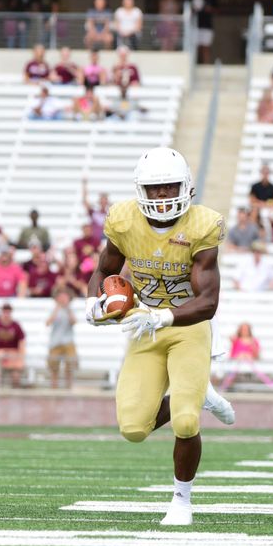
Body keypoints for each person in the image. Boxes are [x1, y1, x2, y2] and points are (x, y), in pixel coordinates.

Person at [83, 147, 236, 526]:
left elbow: (209, 302)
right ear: (142, 191)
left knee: (185, 421)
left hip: (186, 327)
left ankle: (182, 500)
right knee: (133, 429)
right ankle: (200, 390)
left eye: (170, 188)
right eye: (156, 189)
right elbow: (104, 269)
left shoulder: (202, 226)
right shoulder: (124, 221)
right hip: (143, 326)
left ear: (185, 187)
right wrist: (93, 302)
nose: (164, 197)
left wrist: (164, 316)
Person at [0, 303, 26, 388]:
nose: (6, 314)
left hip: (12, 354)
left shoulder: (16, 325)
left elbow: (22, 342)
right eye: (4, 312)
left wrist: (18, 354)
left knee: (16, 375)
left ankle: (15, 393)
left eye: (8, 312)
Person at [46, 288, 77, 389]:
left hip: (68, 341)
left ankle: (69, 387)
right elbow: (48, 323)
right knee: (54, 367)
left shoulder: (70, 310)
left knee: (70, 366)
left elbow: (74, 322)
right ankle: (54, 387)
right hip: (55, 342)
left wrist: (67, 308)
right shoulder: (54, 310)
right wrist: (57, 308)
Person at [191, 0, 217, 64]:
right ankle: (196, 65)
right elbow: (189, 9)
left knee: (206, 47)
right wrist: (194, 9)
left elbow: (216, 9)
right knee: (197, 47)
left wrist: (208, 9)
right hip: (195, 25)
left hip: (207, 25)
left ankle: (206, 65)